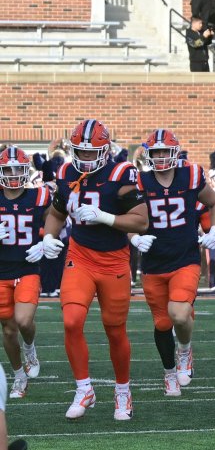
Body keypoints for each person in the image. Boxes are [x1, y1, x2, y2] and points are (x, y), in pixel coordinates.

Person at [43, 120, 149, 420]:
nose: (85, 158)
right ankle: (84, 388)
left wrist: (105, 216)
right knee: (71, 320)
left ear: (105, 150)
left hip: (114, 260)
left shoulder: (121, 173)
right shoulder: (65, 172)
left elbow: (141, 221)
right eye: (80, 152)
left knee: (115, 332)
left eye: (91, 153)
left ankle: (123, 391)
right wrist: (50, 236)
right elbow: (56, 212)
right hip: (81, 255)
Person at [131, 131, 215, 395]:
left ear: (175, 152)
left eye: (165, 151)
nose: (160, 156)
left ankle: (184, 350)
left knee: (179, 313)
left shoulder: (191, 174)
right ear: (148, 154)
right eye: (156, 151)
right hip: (154, 262)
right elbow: (124, 215)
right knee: (162, 324)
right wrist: (134, 238)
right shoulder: (139, 181)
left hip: (185, 258)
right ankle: (169, 372)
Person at [0, 147, 48, 400]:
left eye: (18, 168)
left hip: (27, 268)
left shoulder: (39, 196)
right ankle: (19, 376)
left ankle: (29, 348)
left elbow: (56, 221)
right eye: (8, 169)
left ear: (26, 170)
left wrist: (45, 241)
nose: (13, 173)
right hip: (0, 271)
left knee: (23, 321)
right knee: (8, 330)